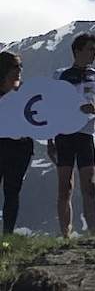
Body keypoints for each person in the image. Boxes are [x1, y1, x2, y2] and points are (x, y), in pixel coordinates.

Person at [49, 33, 95, 237]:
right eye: (90, 50)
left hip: (86, 135)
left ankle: (94, 234)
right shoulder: (60, 75)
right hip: (64, 135)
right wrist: (50, 140)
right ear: (77, 51)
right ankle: (65, 234)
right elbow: (50, 109)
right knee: (64, 186)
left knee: (90, 186)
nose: (94, 54)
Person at [0, 52, 32, 235]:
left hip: (21, 148)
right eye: (15, 66)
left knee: (12, 192)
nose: (19, 70)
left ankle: (7, 237)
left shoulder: (27, 92)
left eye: (20, 66)